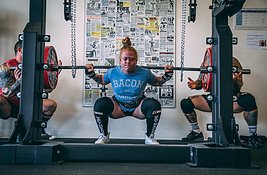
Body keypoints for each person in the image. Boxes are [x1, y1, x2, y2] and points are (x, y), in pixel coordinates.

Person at [85, 37, 173, 145]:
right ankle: (104, 136)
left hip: (137, 107)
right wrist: (91, 74)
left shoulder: (144, 73)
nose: (128, 62)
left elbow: (156, 82)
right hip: (118, 107)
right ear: (120, 60)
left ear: (136, 60)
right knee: (100, 104)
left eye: (132, 59)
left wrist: (167, 75)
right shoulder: (113, 72)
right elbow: (102, 80)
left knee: (154, 105)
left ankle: (150, 137)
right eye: (125, 59)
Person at [180, 57, 262, 147]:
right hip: (214, 98)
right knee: (186, 103)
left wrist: (232, 80)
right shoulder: (207, 63)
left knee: (249, 100)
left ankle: (253, 135)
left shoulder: (233, 61)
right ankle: (196, 133)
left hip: (232, 99)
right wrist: (195, 85)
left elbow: (239, 84)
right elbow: (201, 82)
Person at [0, 40, 59, 140]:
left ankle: (40, 130)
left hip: (27, 104)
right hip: (9, 106)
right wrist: (19, 81)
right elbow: (6, 94)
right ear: (20, 50)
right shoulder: (6, 68)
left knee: (51, 105)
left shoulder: (32, 67)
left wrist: (53, 75)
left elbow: (45, 90)